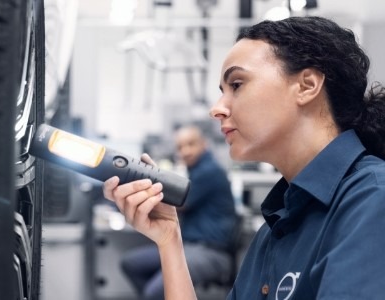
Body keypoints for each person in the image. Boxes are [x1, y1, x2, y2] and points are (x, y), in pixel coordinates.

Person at [103, 16, 385, 300]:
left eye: (237, 84)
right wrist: (169, 240)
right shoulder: (276, 230)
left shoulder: (371, 200)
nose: (216, 109)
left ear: (306, 85)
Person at [120, 125, 237, 300]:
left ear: (204, 144)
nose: (186, 151)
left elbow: (179, 203)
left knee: (154, 292)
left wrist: (141, 184)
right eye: (180, 147)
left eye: (191, 144)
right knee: (131, 264)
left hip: (211, 252)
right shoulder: (196, 171)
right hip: (188, 245)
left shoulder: (209, 171)